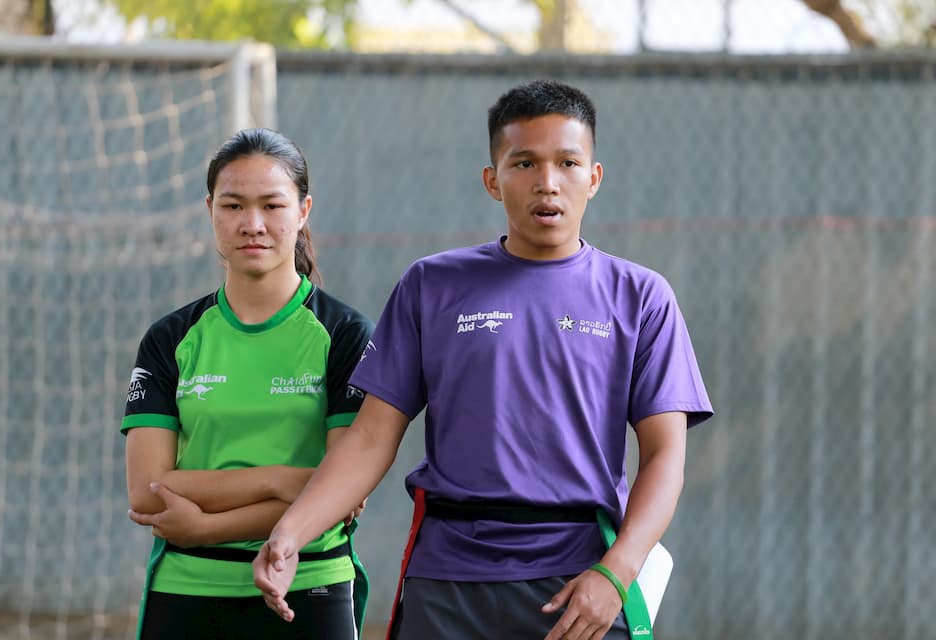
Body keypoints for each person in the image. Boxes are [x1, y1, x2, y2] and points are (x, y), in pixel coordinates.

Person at [254, 80, 713, 640]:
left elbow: (665, 455)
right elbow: (371, 439)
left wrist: (617, 573)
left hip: (580, 583)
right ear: (493, 180)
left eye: (567, 162)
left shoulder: (640, 296)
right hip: (447, 580)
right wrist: (290, 533)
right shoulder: (431, 285)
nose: (547, 182)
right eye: (524, 163)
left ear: (593, 178)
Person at [121, 128, 373, 640]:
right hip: (188, 587)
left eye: (272, 206)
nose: (252, 224)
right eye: (233, 206)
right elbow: (149, 495)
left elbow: (340, 496)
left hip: (310, 583)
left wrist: (207, 524)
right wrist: (285, 479)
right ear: (210, 209)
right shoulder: (171, 338)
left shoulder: (345, 334)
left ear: (303, 211)